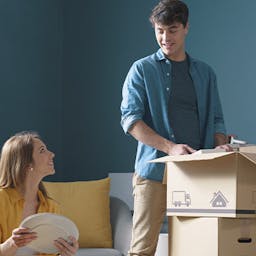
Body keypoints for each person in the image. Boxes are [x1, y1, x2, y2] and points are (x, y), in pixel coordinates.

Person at [120, 0, 232, 255]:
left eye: (172, 29)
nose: (165, 37)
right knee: (142, 248)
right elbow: (130, 121)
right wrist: (170, 148)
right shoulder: (141, 70)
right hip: (153, 173)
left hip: (197, 172)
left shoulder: (206, 73)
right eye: (160, 30)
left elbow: (217, 119)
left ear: (186, 28)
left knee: (197, 246)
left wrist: (219, 145)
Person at [0, 131, 79, 256]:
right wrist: (12, 243)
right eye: (42, 150)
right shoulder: (2, 200)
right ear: (27, 164)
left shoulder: (51, 207)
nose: (52, 154)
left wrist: (66, 253)